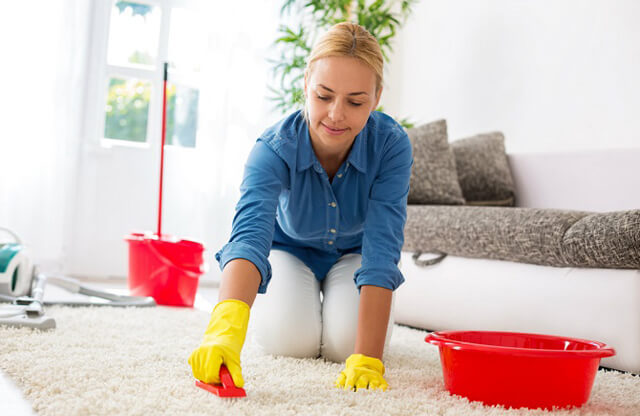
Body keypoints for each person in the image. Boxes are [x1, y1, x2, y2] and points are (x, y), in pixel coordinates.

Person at [188, 21, 412, 392]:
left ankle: (350, 318)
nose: (336, 114)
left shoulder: (391, 146)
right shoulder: (272, 148)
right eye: (324, 96)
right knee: (290, 343)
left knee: (346, 348)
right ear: (306, 83)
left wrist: (368, 358)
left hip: (354, 256)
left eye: (355, 101)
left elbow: (383, 246)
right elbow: (249, 236)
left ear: (376, 96)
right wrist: (223, 329)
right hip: (289, 251)